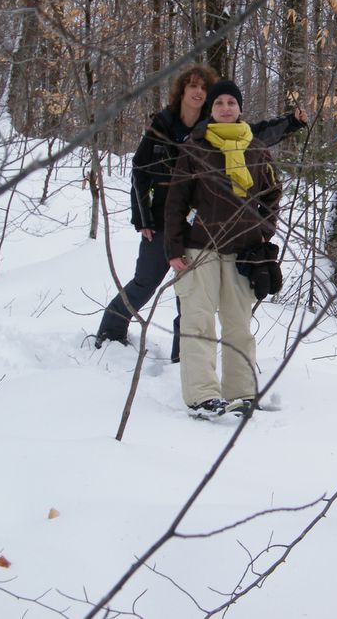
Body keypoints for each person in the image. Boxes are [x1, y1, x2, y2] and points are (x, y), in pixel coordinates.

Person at [94, 66, 306, 359]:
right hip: (162, 219)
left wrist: (290, 123)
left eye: (204, 89)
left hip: (199, 227)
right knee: (146, 281)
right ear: (182, 90)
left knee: (191, 299)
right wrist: (141, 217)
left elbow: (254, 136)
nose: (197, 92)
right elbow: (139, 172)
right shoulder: (162, 125)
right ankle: (111, 331)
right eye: (192, 86)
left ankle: (181, 357)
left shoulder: (212, 130)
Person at [163, 80, 281, 419]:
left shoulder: (257, 149)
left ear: (240, 108)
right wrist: (173, 248)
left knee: (238, 326)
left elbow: (272, 194)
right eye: (219, 104)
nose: (226, 108)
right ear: (210, 110)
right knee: (198, 322)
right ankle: (202, 396)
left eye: (232, 102)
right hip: (199, 249)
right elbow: (175, 203)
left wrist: (263, 228)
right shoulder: (195, 149)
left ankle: (242, 393)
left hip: (243, 250)